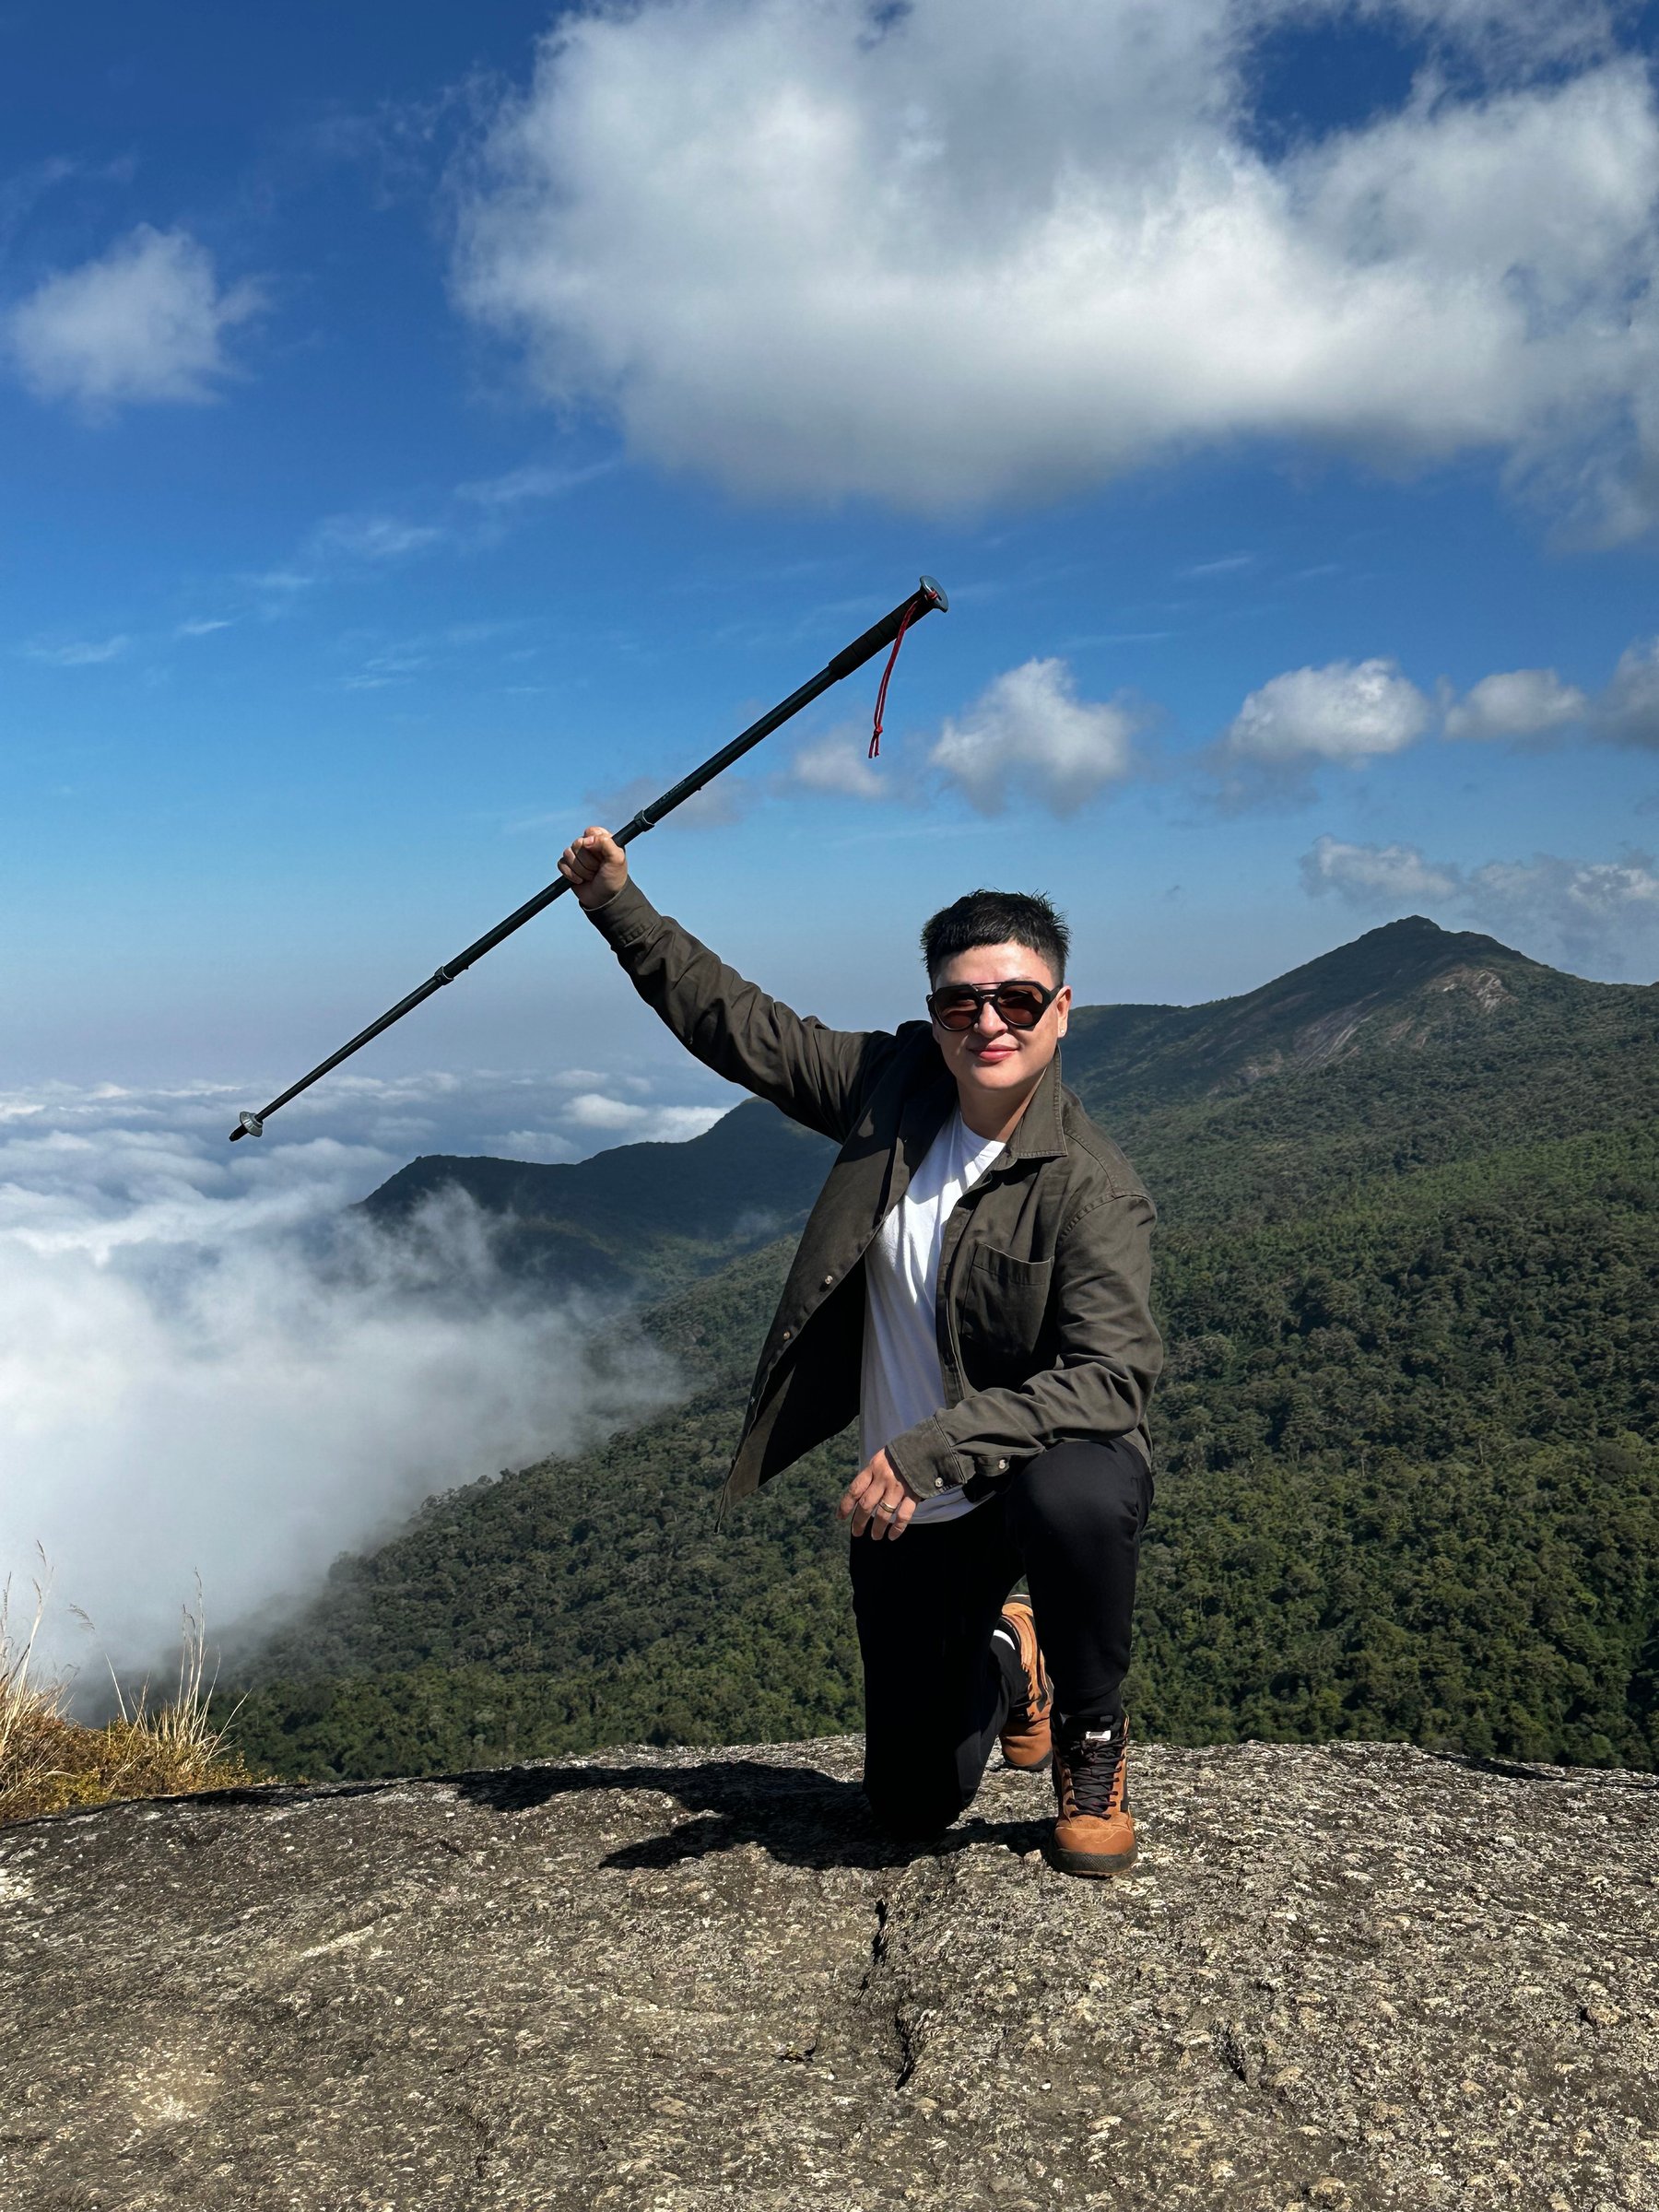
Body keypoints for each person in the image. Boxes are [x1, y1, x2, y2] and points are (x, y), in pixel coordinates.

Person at [557, 827, 1162, 1877]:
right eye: (962, 1001)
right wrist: (618, 904)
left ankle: (1092, 1740)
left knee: (1082, 1491)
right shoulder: (888, 1091)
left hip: (1017, 1472)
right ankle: (1010, 1657)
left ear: (1061, 1013)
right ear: (933, 1015)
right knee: (910, 1807)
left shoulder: (1092, 1188)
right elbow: (737, 1025)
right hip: (914, 1515)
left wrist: (936, 1447)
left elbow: (1112, 1374)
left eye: (1018, 1000)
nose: (989, 1022)